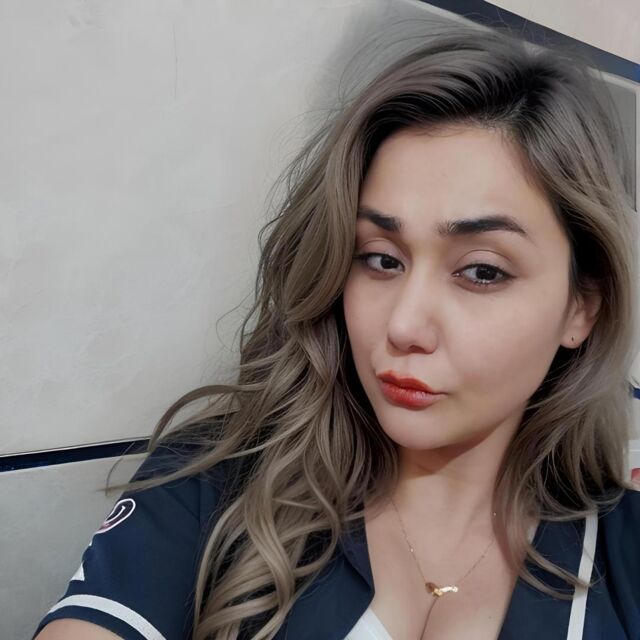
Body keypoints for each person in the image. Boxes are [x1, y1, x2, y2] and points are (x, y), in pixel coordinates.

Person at [32, 18, 640, 640]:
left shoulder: (623, 554)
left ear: (582, 307)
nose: (404, 324)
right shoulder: (214, 487)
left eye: (481, 271)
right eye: (381, 259)